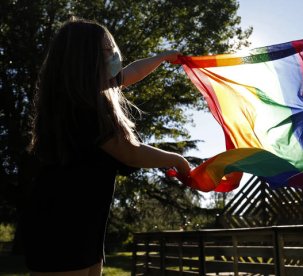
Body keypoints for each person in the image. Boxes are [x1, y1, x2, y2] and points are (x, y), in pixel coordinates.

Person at [22, 17, 191, 275]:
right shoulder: (82, 109)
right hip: (60, 229)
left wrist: (162, 57)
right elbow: (131, 154)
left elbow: (131, 73)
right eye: (107, 52)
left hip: (84, 226)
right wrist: (177, 160)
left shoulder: (85, 94)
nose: (115, 57)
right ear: (84, 62)